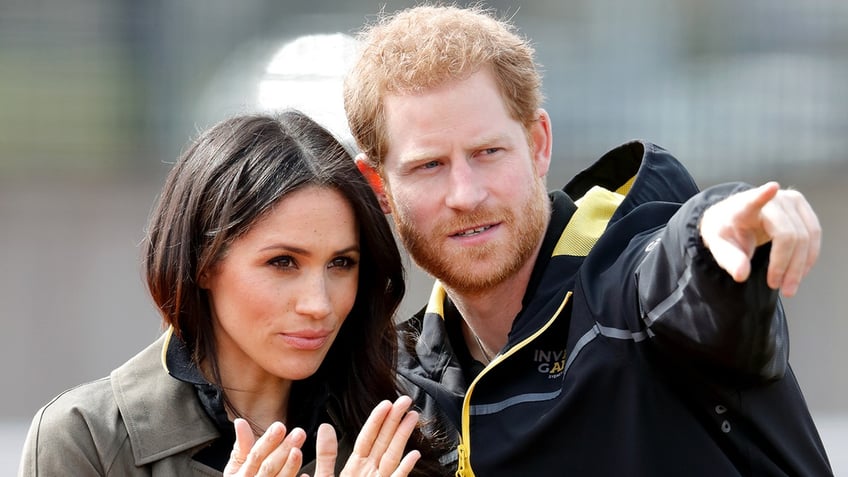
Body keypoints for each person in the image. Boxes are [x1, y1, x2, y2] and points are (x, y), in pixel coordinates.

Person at [342, 4, 833, 476]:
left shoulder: (629, 291)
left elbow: (674, 268)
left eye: (488, 152)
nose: (466, 194)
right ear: (379, 186)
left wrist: (714, 232)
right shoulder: (393, 394)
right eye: (430, 165)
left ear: (538, 145)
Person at [18, 110, 447, 477]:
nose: (318, 304)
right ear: (203, 263)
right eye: (282, 262)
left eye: (341, 264)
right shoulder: (86, 439)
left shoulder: (401, 426)